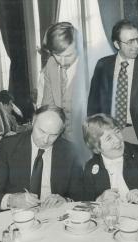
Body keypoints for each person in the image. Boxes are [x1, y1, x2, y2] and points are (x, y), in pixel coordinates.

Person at [87, 19, 138, 153]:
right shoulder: (103, 65)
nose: (136, 45)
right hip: (109, 135)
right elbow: (93, 104)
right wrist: (94, 134)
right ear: (117, 44)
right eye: (130, 42)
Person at [0, 105, 83, 213]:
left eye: (53, 135)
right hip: (17, 216)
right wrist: (11, 200)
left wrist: (65, 200)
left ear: (60, 132)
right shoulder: (8, 146)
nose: (45, 140)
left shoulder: (70, 151)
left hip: (54, 217)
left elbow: (80, 194)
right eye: (41, 131)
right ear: (33, 122)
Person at [39, 22, 89, 162]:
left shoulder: (91, 66)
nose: (61, 60)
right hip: (60, 139)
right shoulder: (51, 64)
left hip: (87, 140)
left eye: (68, 55)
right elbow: (47, 105)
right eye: (57, 54)